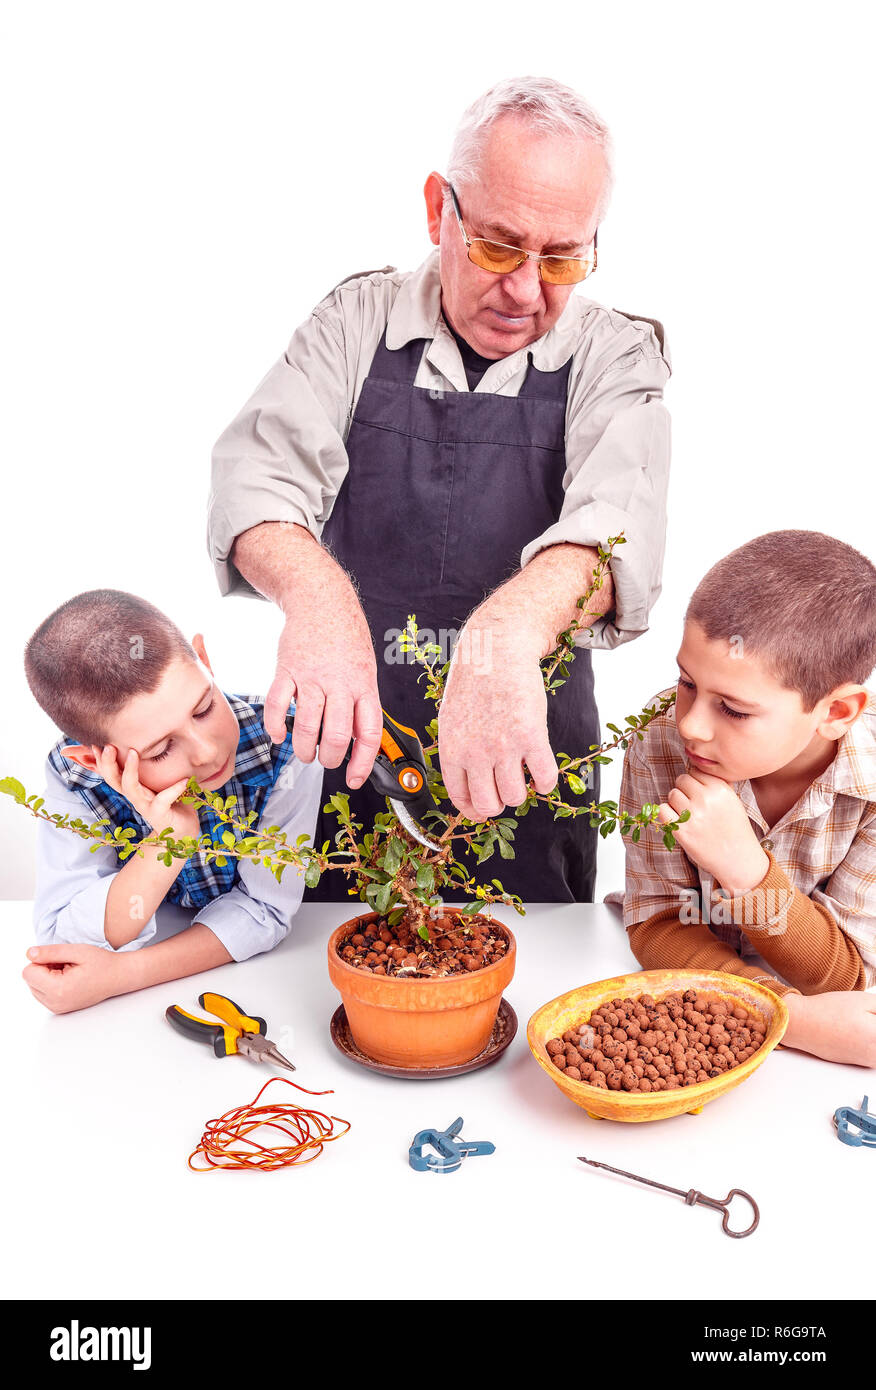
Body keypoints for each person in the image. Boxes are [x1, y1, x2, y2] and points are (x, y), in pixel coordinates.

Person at [208, 75, 672, 903]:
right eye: (498, 245)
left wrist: (502, 639)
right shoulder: (355, 322)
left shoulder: (617, 358)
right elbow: (257, 476)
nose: (527, 290)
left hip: (526, 763)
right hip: (352, 747)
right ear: (438, 209)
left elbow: (614, 531)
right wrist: (318, 600)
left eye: (563, 257)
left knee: (531, 980)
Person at [615, 530, 876, 1067]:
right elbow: (658, 925)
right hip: (716, 1022)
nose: (691, 725)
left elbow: (851, 977)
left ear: (837, 713)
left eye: (733, 709)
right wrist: (783, 1015)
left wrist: (746, 871)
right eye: (687, 682)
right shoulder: (659, 740)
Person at [20, 589, 322, 1014]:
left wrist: (124, 974)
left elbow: (263, 910)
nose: (206, 752)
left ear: (205, 661)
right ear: (95, 758)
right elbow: (63, 943)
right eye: (161, 750)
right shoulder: (76, 777)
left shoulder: (286, 745)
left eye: (203, 708)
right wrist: (170, 839)